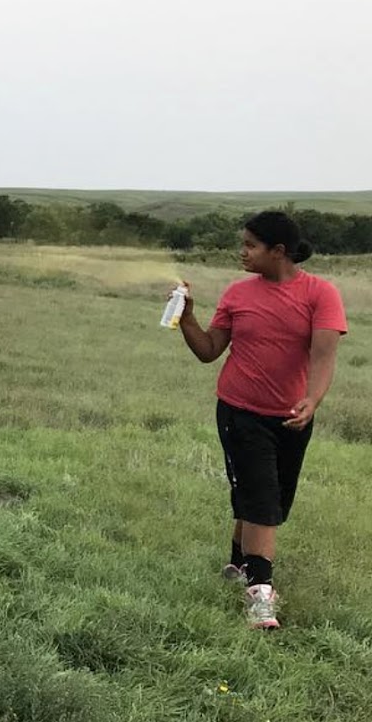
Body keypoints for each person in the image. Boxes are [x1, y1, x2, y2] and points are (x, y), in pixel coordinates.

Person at [174, 210, 346, 629]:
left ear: (279, 251)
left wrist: (312, 400)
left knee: (272, 499)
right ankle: (260, 594)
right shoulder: (237, 294)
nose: (243, 252)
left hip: (291, 419)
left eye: (251, 245)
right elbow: (209, 350)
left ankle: (236, 564)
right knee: (262, 499)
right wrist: (189, 316)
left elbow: (323, 356)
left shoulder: (320, 294)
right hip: (239, 413)